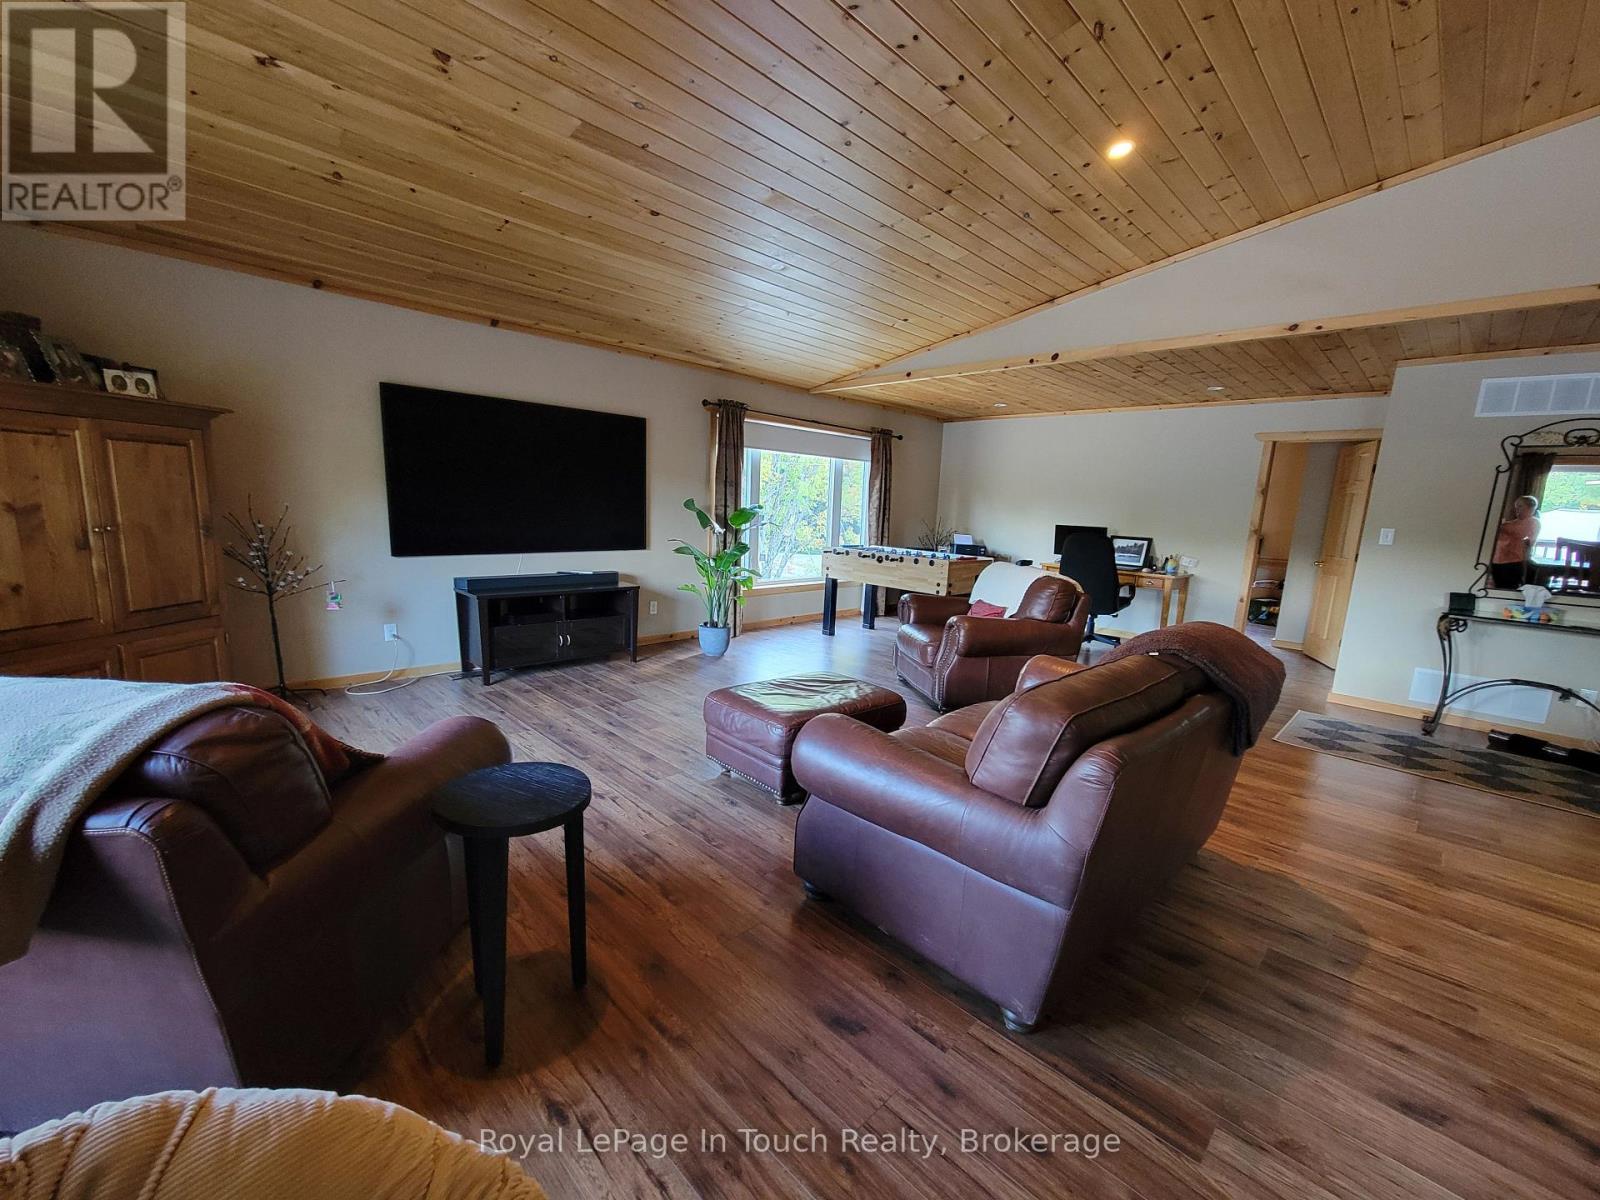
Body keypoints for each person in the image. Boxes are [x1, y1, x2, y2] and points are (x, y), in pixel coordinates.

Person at [1490, 494, 1541, 588]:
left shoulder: (1533, 522)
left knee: (1508, 588)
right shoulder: (1512, 523)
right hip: (1498, 561)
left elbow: (1518, 532)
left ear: (1531, 508)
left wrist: (1501, 526)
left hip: (1513, 562)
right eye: (1516, 506)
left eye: (1520, 506)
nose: (1516, 509)